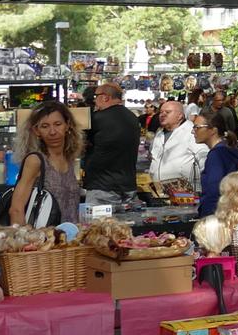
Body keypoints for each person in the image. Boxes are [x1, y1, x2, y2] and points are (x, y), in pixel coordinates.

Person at [7, 98, 82, 227]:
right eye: (45, 126)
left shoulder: (68, 158)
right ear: (36, 131)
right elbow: (16, 210)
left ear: (67, 125)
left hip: (70, 240)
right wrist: (27, 243)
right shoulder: (35, 161)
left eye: (58, 124)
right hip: (45, 242)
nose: (52, 132)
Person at [81, 82, 142, 197]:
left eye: (96, 96)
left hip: (102, 187)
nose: (94, 100)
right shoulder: (133, 117)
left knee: (101, 216)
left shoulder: (96, 119)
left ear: (105, 97)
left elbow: (80, 143)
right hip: (128, 186)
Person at [193, 111, 238, 219]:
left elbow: (214, 191)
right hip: (228, 213)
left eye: (197, 127)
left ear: (213, 130)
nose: (193, 132)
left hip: (216, 217)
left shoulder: (216, 155)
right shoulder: (228, 150)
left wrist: (206, 220)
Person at [148, 99, 205, 187]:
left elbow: (203, 160)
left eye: (168, 112)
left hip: (184, 193)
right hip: (158, 190)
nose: (162, 115)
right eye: (161, 112)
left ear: (180, 116)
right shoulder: (160, 133)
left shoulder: (192, 132)